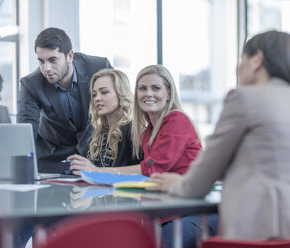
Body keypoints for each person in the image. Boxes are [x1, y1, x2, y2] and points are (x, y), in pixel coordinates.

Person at [146, 30, 290, 240]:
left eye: (242, 59)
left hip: (257, 228)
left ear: (257, 60)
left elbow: (205, 173)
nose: (238, 68)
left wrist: (175, 184)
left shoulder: (244, 98)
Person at [70, 64, 217, 248]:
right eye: (142, 88)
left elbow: (152, 169)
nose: (148, 93)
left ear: (169, 94)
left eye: (156, 88)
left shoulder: (177, 119)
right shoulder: (147, 132)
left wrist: (98, 172)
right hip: (166, 209)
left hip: (193, 211)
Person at [17, 27, 113, 173]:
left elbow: (123, 106)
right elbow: (26, 129)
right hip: (54, 161)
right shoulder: (31, 84)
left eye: (52, 60)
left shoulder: (99, 68)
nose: (46, 68)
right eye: (41, 61)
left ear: (70, 56)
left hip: (98, 158)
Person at [67, 68, 141, 169]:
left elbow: (145, 171)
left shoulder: (132, 130)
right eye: (94, 94)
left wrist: (97, 171)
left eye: (104, 92)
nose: (97, 98)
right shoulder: (97, 134)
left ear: (121, 94)